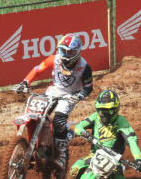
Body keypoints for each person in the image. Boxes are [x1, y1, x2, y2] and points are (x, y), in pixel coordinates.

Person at [14, 33, 93, 169]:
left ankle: (61, 155)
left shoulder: (84, 67)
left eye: (71, 52)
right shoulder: (54, 59)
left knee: (58, 121)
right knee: (38, 115)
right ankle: (40, 144)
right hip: (54, 90)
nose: (67, 55)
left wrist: (80, 96)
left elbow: (88, 87)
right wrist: (25, 83)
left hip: (71, 94)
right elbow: (38, 70)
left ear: (77, 52)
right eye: (64, 51)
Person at [71, 89, 141, 179]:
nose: (104, 114)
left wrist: (138, 159)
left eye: (108, 111)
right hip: (94, 155)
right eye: (101, 110)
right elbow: (79, 125)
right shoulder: (95, 117)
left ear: (116, 109)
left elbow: (131, 140)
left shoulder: (122, 122)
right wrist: (82, 132)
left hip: (115, 162)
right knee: (75, 168)